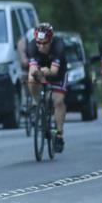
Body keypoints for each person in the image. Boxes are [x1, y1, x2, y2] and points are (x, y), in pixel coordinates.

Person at [26, 22, 68, 152]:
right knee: (31, 80)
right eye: (39, 43)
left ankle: (59, 134)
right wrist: (36, 75)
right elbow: (32, 69)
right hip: (42, 69)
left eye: (45, 43)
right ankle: (37, 104)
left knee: (58, 101)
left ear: (51, 40)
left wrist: (46, 73)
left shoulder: (58, 46)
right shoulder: (32, 46)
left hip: (58, 73)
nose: (41, 46)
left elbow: (54, 72)